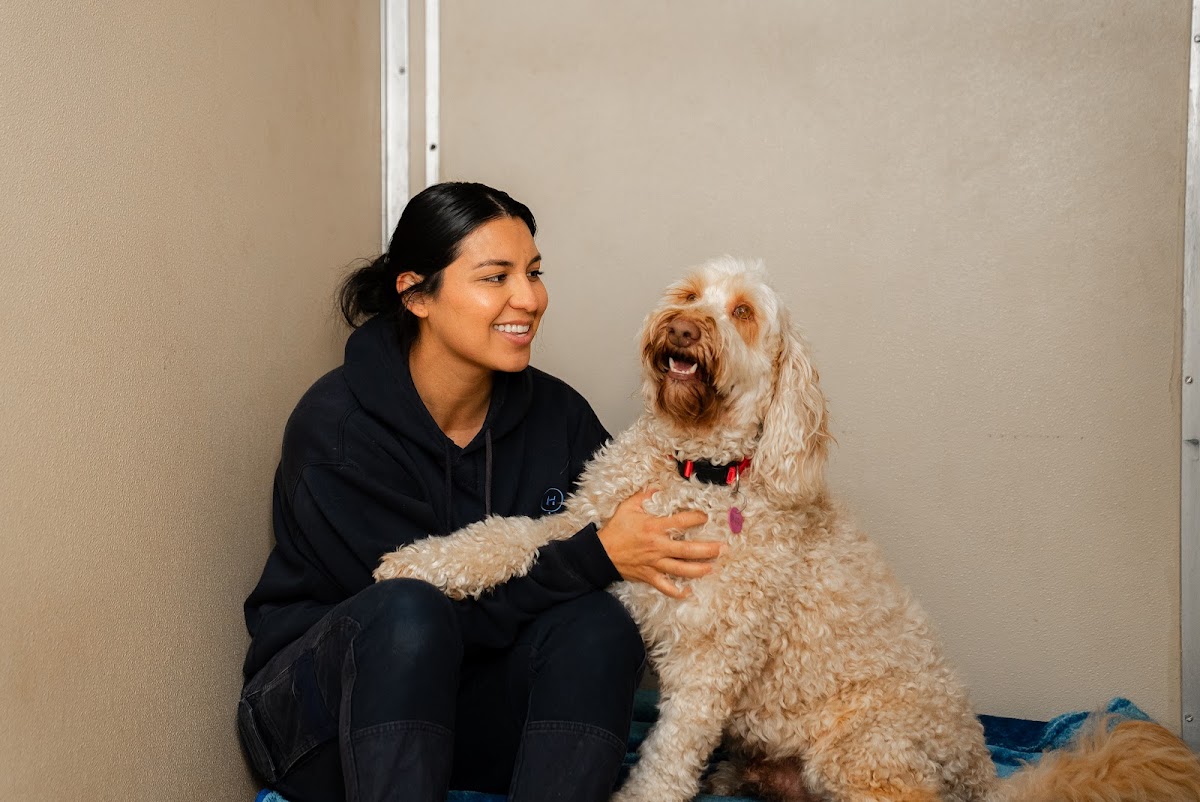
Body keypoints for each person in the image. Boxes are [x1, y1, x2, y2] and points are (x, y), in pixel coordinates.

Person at [237, 182, 721, 802]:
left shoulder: (558, 414)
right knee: (412, 610)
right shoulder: (337, 431)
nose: (531, 298)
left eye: (535, 272)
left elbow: (639, 539)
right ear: (416, 294)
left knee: (600, 623)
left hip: (474, 713)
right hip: (328, 723)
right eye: (496, 277)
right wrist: (591, 556)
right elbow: (416, 626)